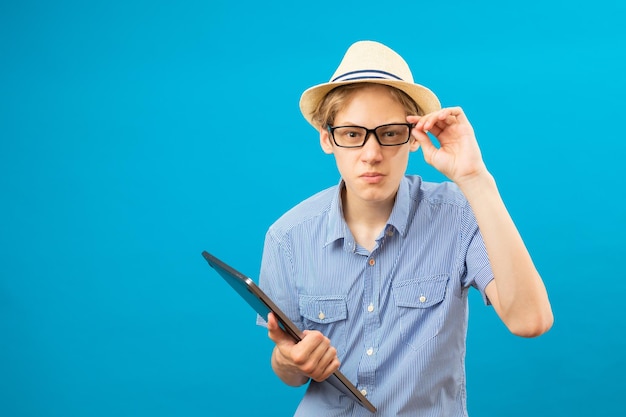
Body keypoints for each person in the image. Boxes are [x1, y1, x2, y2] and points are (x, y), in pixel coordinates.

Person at [256, 40, 553, 416]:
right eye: (352, 134)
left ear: (414, 137)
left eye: (390, 133)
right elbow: (287, 369)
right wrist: (291, 360)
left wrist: (475, 177)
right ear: (327, 139)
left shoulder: (457, 214)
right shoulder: (287, 237)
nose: (371, 153)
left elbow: (531, 320)